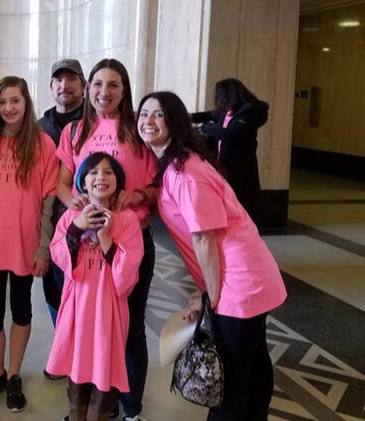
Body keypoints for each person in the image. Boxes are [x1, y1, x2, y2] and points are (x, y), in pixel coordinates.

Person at [137, 91, 287, 421]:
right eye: (144, 114)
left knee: (229, 381)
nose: (148, 121)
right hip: (244, 274)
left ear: (175, 121)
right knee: (252, 366)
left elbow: (204, 237)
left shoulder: (184, 172)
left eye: (159, 114)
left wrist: (211, 297)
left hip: (238, 281)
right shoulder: (176, 163)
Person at [55, 58, 157, 421]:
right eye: (98, 83)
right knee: (87, 329)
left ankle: (130, 407)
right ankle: (91, 403)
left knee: (129, 329)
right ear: (88, 89)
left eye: (113, 84)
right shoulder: (75, 131)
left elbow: (158, 186)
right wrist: (75, 207)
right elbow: (62, 184)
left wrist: (138, 196)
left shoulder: (137, 130)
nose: (104, 91)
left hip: (129, 242)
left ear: (124, 90)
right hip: (84, 246)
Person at [0, 76, 59, 412]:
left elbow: (49, 201)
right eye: (2, 102)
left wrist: (43, 247)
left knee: (21, 309)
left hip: (25, 244)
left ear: (26, 102)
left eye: (15, 101)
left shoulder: (43, 145)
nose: (8, 108)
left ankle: (15, 374)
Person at [47, 152, 143, 421]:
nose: (101, 177)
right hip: (78, 303)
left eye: (108, 172)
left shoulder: (128, 220)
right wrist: (76, 229)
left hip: (108, 307)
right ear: (83, 182)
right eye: (94, 172)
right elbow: (59, 255)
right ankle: (76, 413)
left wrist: (105, 238)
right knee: (77, 363)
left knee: (104, 364)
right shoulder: (72, 216)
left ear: (118, 180)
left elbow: (127, 272)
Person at [37, 58, 85, 335]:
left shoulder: (95, 123)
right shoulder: (39, 127)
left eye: (71, 79)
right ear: (51, 86)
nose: (64, 85)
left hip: (86, 226)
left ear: (84, 85)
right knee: (54, 290)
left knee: (84, 293)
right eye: (58, 79)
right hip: (49, 224)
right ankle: (63, 344)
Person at [191, 78, 268, 222]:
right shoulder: (228, 112)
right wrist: (189, 117)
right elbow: (209, 115)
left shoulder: (249, 113)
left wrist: (205, 128)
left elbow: (230, 134)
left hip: (240, 168)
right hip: (223, 165)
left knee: (241, 204)